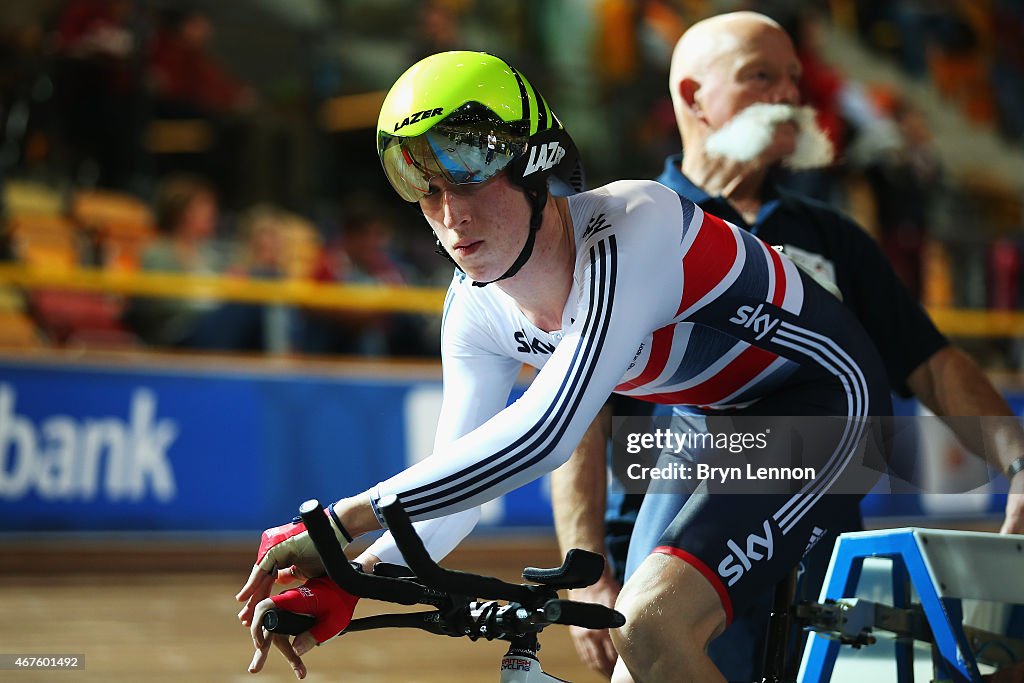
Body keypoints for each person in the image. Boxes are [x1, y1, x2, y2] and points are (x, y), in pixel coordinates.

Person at [236, 49, 899, 682]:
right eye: (427, 191)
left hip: (832, 404)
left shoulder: (631, 228)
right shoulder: (472, 308)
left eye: (469, 177)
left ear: (533, 168)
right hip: (710, 418)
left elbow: (546, 432)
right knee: (633, 644)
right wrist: (353, 579)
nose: (451, 215)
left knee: (652, 626)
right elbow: (455, 494)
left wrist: (340, 522)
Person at [551, 11, 1024, 681]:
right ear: (691, 97)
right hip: (674, 553)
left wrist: (1018, 458)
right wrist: (587, 568)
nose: (788, 97)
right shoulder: (624, 226)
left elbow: (934, 364)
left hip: (826, 559)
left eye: (794, 79)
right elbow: (577, 416)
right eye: (760, 77)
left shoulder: (835, 238)